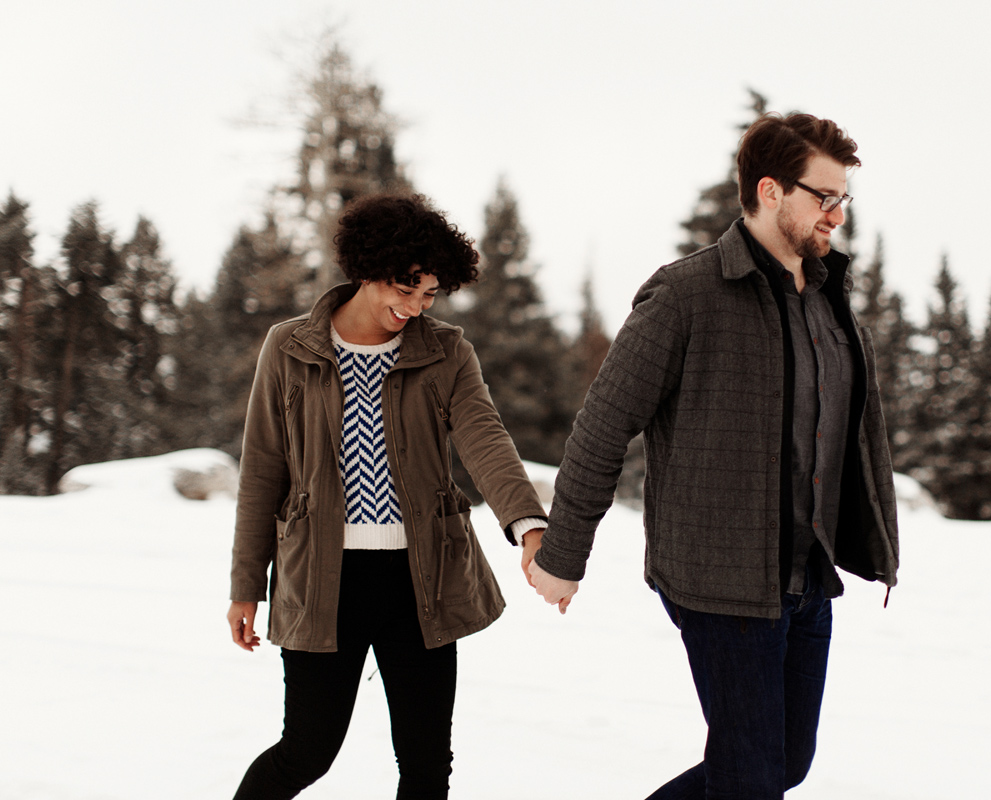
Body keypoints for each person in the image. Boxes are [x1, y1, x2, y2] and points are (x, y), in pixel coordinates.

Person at [523, 112, 900, 798]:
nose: (838, 216)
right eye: (826, 197)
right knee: (751, 774)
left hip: (807, 581)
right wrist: (563, 553)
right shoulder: (685, 295)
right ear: (770, 191)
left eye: (844, 200)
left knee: (782, 764)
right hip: (722, 581)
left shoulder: (830, 302)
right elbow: (604, 428)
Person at [226, 192, 547, 799]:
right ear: (367, 269)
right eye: (405, 288)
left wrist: (528, 523)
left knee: (427, 765)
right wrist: (246, 584)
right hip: (322, 577)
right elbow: (262, 472)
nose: (415, 306)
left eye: (429, 293)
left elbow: (485, 438)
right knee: (306, 752)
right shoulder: (289, 347)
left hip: (421, 577)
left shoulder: (445, 350)